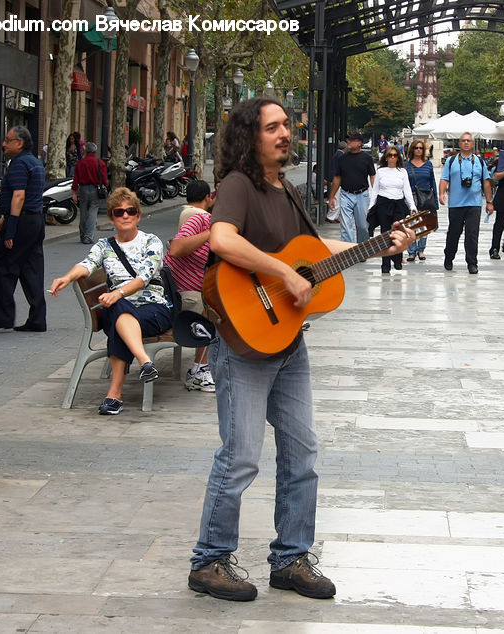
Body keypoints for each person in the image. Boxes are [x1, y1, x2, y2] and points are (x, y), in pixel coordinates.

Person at [188, 98, 413, 602]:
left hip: (288, 343)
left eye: (287, 125)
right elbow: (222, 241)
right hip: (243, 344)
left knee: (302, 452)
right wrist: (283, 273)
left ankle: (290, 558)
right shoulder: (238, 186)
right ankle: (209, 561)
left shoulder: (286, 189)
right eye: (273, 127)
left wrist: (381, 244)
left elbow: (313, 254)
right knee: (241, 456)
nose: (285, 133)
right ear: (251, 137)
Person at [50, 188, 172, 415]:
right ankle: (145, 361)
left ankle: (114, 394)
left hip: (153, 309)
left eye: (130, 211)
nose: (125, 215)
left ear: (138, 215)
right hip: (119, 309)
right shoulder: (104, 247)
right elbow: (86, 264)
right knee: (118, 310)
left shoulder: (151, 242)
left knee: (117, 310)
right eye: (119, 212)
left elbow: (143, 278)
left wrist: (118, 293)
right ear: (113, 217)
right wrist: (66, 277)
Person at [0, 126, 47, 333]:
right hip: (35, 220)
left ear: (19, 143)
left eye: (8, 140)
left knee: (1, 268)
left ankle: (3, 317)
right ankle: (38, 318)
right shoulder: (35, 163)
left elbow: (18, 196)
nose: (4, 144)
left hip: (21, 221)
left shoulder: (19, 164)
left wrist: (10, 229)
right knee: (31, 269)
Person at [164, 179, 216, 392]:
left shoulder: (191, 215)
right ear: (208, 198)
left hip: (184, 288)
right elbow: (175, 249)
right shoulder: (200, 218)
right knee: (208, 309)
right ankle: (199, 370)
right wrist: (211, 232)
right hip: (180, 293)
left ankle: (205, 366)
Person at [439, 132, 493, 274]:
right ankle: (449, 256)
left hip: (474, 204)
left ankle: (472, 263)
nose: (466, 143)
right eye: (463, 140)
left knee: (472, 234)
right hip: (456, 204)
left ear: (473, 143)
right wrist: (441, 193)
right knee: (454, 233)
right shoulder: (452, 161)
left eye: (469, 140)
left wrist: (489, 201)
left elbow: (486, 182)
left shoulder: (480, 162)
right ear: (459, 143)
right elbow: (444, 179)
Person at [367, 146, 417, 273]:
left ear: (398, 157)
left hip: (398, 204)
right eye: (390, 155)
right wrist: (371, 206)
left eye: (395, 155)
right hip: (383, 203)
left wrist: (412, 206)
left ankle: (398, 258)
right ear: (386, 157)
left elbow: (407, 190)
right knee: (385, 233)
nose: (393, 157)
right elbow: (375, 190)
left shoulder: (402, 172)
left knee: (398, 232)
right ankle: (385, 264)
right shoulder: (381, 171)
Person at [328, 132, 376, 243]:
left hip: (362, 195)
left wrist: (376, 194)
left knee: (363, 226)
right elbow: (337, 178)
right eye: (348, 139)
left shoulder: (367, 158)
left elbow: (372, 176)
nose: (349, 142)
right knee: (345, 226)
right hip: (346, 194)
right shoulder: (342, 158)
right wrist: (332, 197)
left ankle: (362, 249)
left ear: (359, 143)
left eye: (352, 140)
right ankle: (349, 250)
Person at [405, 140, 436, 262]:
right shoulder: (406, 165)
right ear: (412, 149)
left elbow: (432, 181)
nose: (418, 150)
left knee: (424, 225)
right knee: (410, 225)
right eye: (416, 148)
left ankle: (421, 250)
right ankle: (411, 251)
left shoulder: (428, 164)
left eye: (421, 148)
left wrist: (436, 201)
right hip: (410, 196)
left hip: (425, 196)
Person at [72, 141, 107, 245]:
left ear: (86, 151)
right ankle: (88, 236)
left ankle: (82, 234)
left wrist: (74, 192)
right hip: (95, 189)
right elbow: (104, 179)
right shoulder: (100, 163)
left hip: (82, 189)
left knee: (83, 212)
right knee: (93, 212)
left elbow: (75, 179)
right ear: (95, 151)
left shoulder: (80, 163)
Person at [324, 141, 346, 223]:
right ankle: (330, 217)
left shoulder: (337, 154)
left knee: (337, 199)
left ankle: (334, 216)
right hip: (336, 180)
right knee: (336, 199)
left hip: (333, 179)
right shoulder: (340, 155)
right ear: (345, 148)